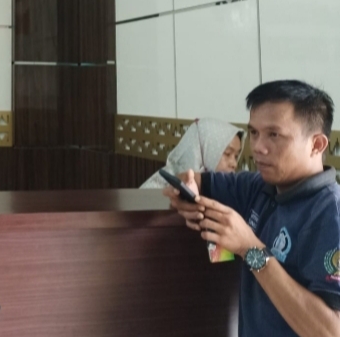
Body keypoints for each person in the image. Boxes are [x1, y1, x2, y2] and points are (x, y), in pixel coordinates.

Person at [166, 80, 340, 337]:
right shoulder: (257, 186)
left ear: (317, 145)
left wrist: (251, 250)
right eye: (255, 133)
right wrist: (187, 192)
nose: (258, 147)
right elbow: (194, 180)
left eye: (274, 135)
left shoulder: (330, 214)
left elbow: (331, 331)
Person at [140, 118, 244, 189]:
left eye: (236, 156)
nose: (234, 164)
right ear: (203, 151)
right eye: (227, 153)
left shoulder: (228, 189)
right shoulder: (161, 185)